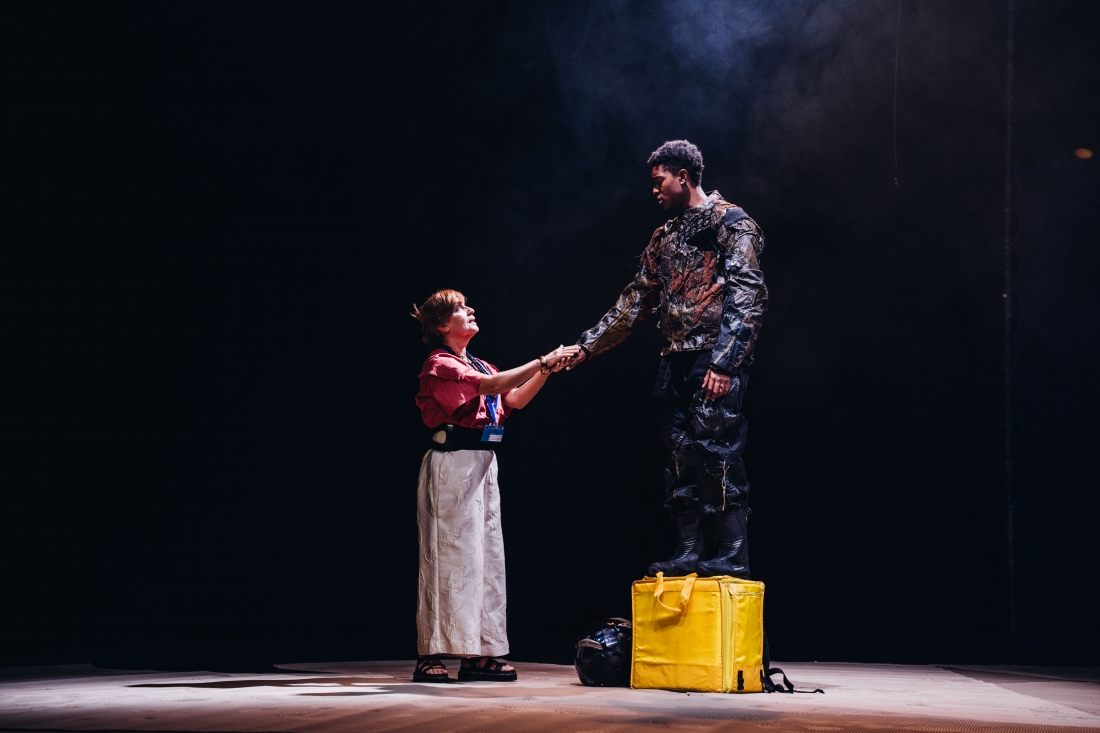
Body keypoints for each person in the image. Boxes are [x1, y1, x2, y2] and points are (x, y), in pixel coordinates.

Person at [567, 140, 768, 579]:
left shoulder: (730, 222)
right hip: (673, 358)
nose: (654, 190)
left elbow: (747, 296)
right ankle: (689, 550)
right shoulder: (665, 236)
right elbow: (635, 301)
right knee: (680, 456)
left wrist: (724, 362)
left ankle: (733, 554)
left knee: (717, 449)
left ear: (682, 175)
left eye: (659, 181)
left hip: (711, 357)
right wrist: (586, 346)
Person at [411, 289, 580, 683]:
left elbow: (514, 398)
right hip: (451, 464)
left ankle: (477, 655)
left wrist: (546, 370)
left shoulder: (483, 365)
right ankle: (429, 652)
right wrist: (542, 359)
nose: (470, 310)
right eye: (459, 308)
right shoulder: (440, 364)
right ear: (442, 325)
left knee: (485, 559)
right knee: (446, 557)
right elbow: (489, 389)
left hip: (484, 463)